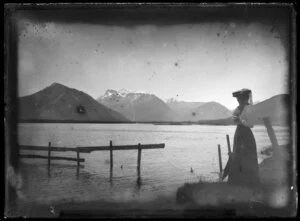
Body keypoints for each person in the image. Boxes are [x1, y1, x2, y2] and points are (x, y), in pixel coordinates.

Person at [223, 88, 260, 187]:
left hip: (246, 134)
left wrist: (241, 120)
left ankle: (248, 181)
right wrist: (237, 120)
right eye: (238, 99)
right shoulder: (238, 108)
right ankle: (236, 181)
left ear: (246, 98)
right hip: (239, 133)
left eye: (240, 99)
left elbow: (251, 124)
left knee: (247, 155)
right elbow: (235, 120)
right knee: (237, 155)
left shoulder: (249, 108)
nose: (238, 100)